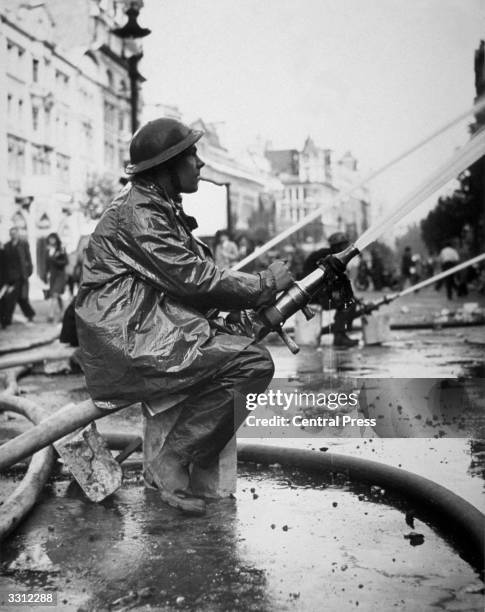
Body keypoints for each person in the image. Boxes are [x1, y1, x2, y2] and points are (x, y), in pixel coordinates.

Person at [75, 118, 293, 515]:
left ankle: (178, 455)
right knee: (252, 363)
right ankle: (171, 458)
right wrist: (264, 284)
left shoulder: (156, 207)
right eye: (191, 154)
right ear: (166, 166)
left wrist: (247, 309)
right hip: (129, 338)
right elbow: (194, 279)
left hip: (142, 325)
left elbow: (190, 280)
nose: (200, 163)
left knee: (240, 345)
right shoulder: (137, 213)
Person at [303, 232, 358, 348]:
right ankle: (339, 336)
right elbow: (326, 279)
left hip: (314, 292)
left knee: (349, 301)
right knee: (348, 304)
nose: (346, 248)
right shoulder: (330, 258)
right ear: (337, 246)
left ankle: (338, 332)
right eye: (343, 245)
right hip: (314, 295)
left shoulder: (327, 255)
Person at [2, 227, 35, 327]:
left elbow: (28, 258)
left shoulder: (23, 244)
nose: (13, 235)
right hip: (11, 276)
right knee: (16, 297)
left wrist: (29, 272)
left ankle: (8, 319)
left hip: (21, 275)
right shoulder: (7, 245)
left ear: (18, 234)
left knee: (17, 298)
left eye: (15, 233)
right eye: (11, 233)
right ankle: (28, 314)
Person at [45, 232, 68, 322]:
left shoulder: (61, 249)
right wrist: (46, 274)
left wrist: (54, 259)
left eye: (53, 238)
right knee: (57, 296)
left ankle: (51, 315)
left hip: (60, 275)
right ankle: (63, 313)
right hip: (52, 276)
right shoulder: (47, 250)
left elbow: (65, 262)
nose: (52, 240)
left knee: (55, 294)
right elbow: (46, 264)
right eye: (50, 239)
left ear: (56, 239)